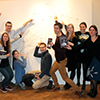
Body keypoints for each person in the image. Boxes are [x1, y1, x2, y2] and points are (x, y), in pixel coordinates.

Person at [49, 22, 84, 96]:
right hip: (58, 60)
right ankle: (57, 86)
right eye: (54, 28)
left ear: (60, 29)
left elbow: (62, 51)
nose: (55, 30)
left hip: (62, 61)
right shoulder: (58, 36)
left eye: (57, 28)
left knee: (65, 78)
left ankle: (78, 90)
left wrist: (53, 46)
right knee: (51, 72)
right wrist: (56, 21)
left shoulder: (62, 38)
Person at [66, 25, 100, 98]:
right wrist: (71, 48)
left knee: (95, 76)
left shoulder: (99, 39)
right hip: (90, 61)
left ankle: (95, 91)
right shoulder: (87, 41)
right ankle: (92, 90)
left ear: (96, 31)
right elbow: (79, 47)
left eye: (93, 30)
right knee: (91, 76)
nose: (91, 31)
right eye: (90, 30)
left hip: (97, 61)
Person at [75, 22, 90, 90]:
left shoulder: (89, 34)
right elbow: (70, 30)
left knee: (84, 69)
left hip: (85, 55)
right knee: (78, 69)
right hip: (78, 54)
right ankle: (78, 82)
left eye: (83, 27)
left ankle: (83, 83)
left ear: (86, 27)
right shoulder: (77, 34)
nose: (82, 28)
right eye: (81, 27)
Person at [64, 24, 78, 90]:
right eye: (68, 28)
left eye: (71, 28)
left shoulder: (75, 37)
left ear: (73, 29)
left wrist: (71, 44)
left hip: (73, 55)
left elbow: (76, 46)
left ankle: (69, 84)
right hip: (67, 55)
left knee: (73, 70)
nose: (69, 29)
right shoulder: (65, 36)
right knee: (67, 70)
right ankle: (68, 82)